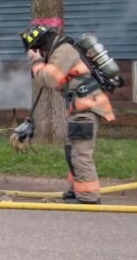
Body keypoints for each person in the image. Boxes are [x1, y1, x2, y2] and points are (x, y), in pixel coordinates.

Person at [20, 23, 116, 205]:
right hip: (80, 109)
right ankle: (76, 190)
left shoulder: (63, 51)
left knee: (80, 153)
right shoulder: (59, 51)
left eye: (35, 50)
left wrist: (37, 62)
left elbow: (48, 79)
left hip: (86, 108)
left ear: (40, 46)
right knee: (71, 150)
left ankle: (88, 196)